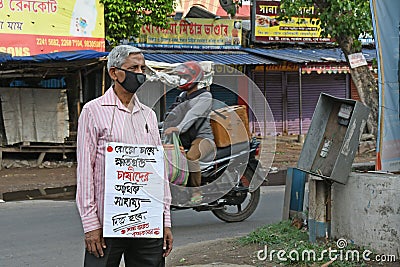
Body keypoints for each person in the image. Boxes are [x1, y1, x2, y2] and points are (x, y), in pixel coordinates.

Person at [76, 45, 173, 267]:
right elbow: (85, 173)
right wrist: (91, 224)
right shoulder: (93, 111)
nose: (139, 74)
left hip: (147, 223)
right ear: (114, 73)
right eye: (133, 68)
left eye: (142, 68)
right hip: (106, 223)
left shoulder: (148, 115)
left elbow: (158, 172)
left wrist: (165, 220)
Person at [164, 61, 215, 204]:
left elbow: (192, 115)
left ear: (195, 78)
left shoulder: (205, 97)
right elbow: (171, 114)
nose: (182, 80)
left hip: (203, 138)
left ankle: (196, 192)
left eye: (185, 77)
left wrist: (179, 128)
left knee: (191, 157)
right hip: (183, 138)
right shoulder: (182, 96)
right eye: (181, 77)